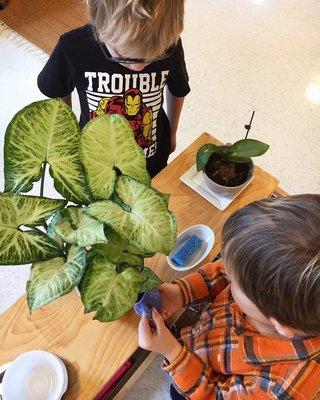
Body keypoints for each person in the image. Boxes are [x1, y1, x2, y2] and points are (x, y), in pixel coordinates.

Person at [139, 194, 320, 399]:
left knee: (178, 392)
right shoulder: (272, 295)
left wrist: (173, 353)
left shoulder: (282, 386)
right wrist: (181, 292)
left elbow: (215, 395)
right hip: (205, 343)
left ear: (278, 324)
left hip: (203, 384)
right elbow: (224, 272)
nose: (227, 274)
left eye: (234, 282)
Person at [37, 0, 190, 178]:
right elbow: (56, 88)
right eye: (124, 57)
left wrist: (172, 133)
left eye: (155, 55)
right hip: (95, 162)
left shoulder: (168, 41)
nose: (139, 68)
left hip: (151, 161)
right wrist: (65, 136)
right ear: (100, 26)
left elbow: (178, 89)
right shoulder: (72, 47)